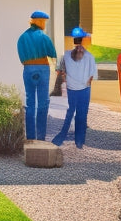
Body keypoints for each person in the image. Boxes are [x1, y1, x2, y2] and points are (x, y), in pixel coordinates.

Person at [52, 27, 97, 148]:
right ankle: (79, 142)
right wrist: (86, 83)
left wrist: (66, 77)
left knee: (70, 113)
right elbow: (92, 76)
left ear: (73, 40)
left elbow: (58, 71)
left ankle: (60, 139)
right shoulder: (90, 56)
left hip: (71, 89)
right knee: (82, 115)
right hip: (84, 90)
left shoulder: (65, 55)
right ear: (83, 40)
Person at [16, 9, 57, 141]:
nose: (45, 24)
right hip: (43, 69)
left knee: (30, 103)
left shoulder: (22, 38)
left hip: (28, 69)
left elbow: (21, 58)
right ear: (39, 22)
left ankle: (30, 137)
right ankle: (41, 137)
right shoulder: (44, 37)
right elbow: (53, 55)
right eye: (44, 21)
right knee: (43, 102)